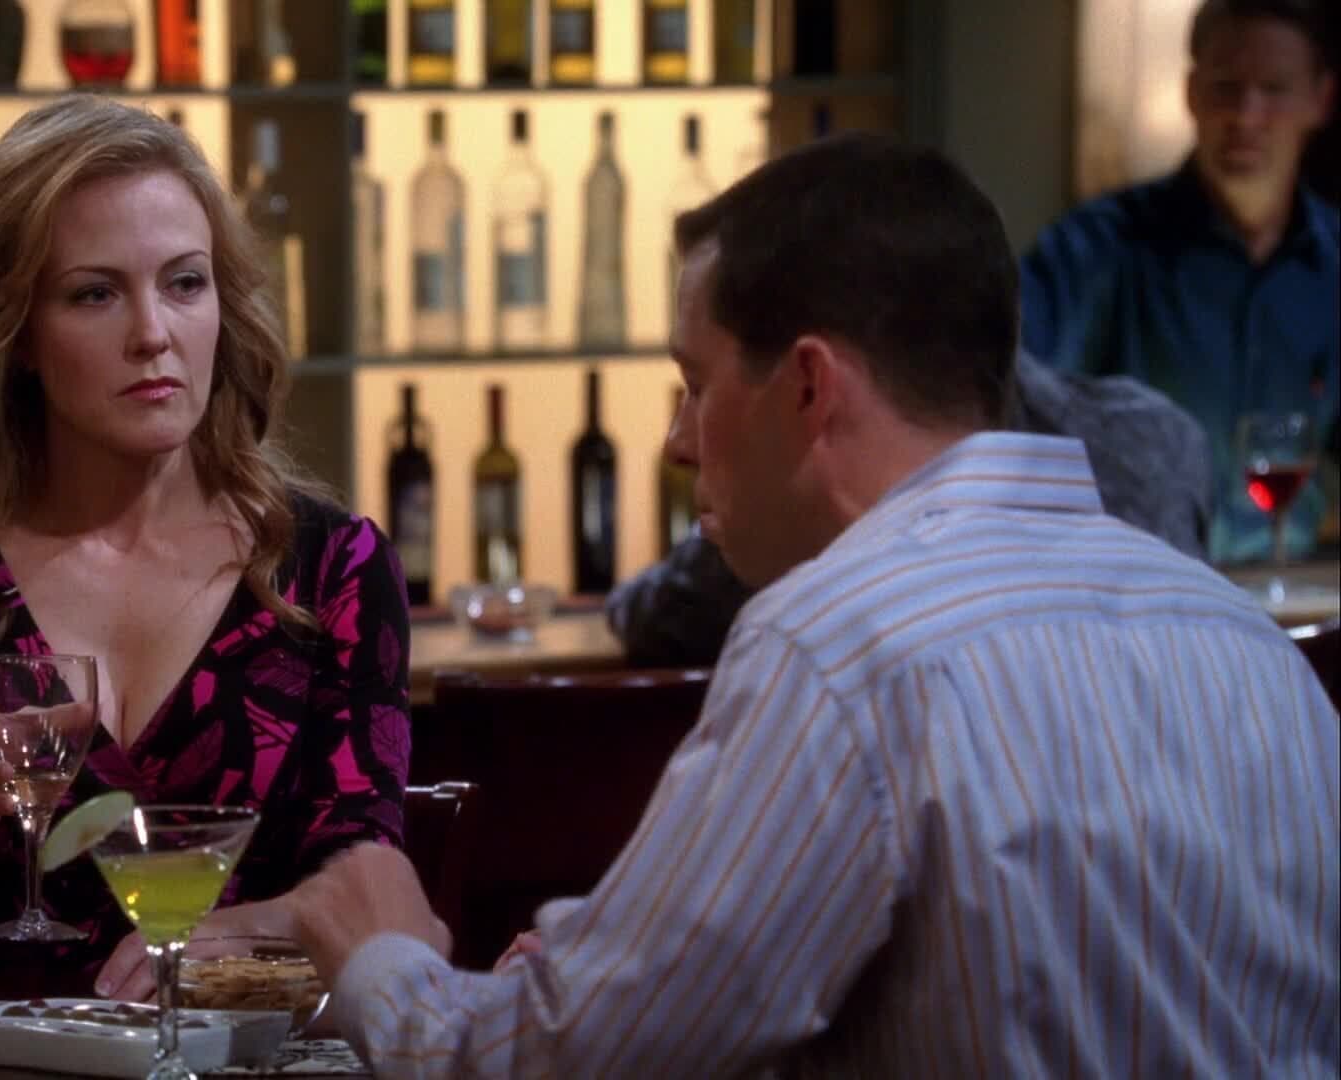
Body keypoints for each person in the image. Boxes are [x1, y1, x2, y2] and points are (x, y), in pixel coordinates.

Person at [286, 134, 1340, 1076]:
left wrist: (383, 961)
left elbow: (561, 1065)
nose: (678, 441)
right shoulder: (1252, 647)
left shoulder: (837, 649)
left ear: (807, 386)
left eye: (696, 384)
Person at [0, 97, 411, 990]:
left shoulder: (331, 570)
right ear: (17, 336)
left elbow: (369, 893)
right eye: (95, 294)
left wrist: (230, 934)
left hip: (249, 1051)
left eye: (185, 283)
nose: (153, 334)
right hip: (4, 1053)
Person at [607, 348, 1215, 667]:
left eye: (701, 385)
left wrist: (620, 603)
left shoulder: (817, 661)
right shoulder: (1164, 435)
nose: (680, 443)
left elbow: (670, 613)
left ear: (816, 376)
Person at [1022, 0, 1338, 564]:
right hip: (1135, 589)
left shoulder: (1334, 263)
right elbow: (1003, 395)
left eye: (1274, 89)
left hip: (1294, 589)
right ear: (1191, 93)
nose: (1247, 115)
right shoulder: (1097, 248)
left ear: (1321, 100)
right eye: (1226, 88)